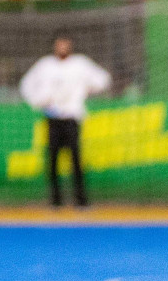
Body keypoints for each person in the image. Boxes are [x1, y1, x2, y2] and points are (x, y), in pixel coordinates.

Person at [20, 36, 109, 207]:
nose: (62, 47)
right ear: (55, 46)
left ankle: (81, 200)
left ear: (70, 45)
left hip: (72, 118)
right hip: (53, 118)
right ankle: (55, 201)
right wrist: (38, 101)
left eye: (65, 44)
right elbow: (26, 85)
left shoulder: (80, 64)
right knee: (53, 159)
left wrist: (88, 89)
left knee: (75, 159)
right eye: (59, 44)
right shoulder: (45, 65)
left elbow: (102, 79)